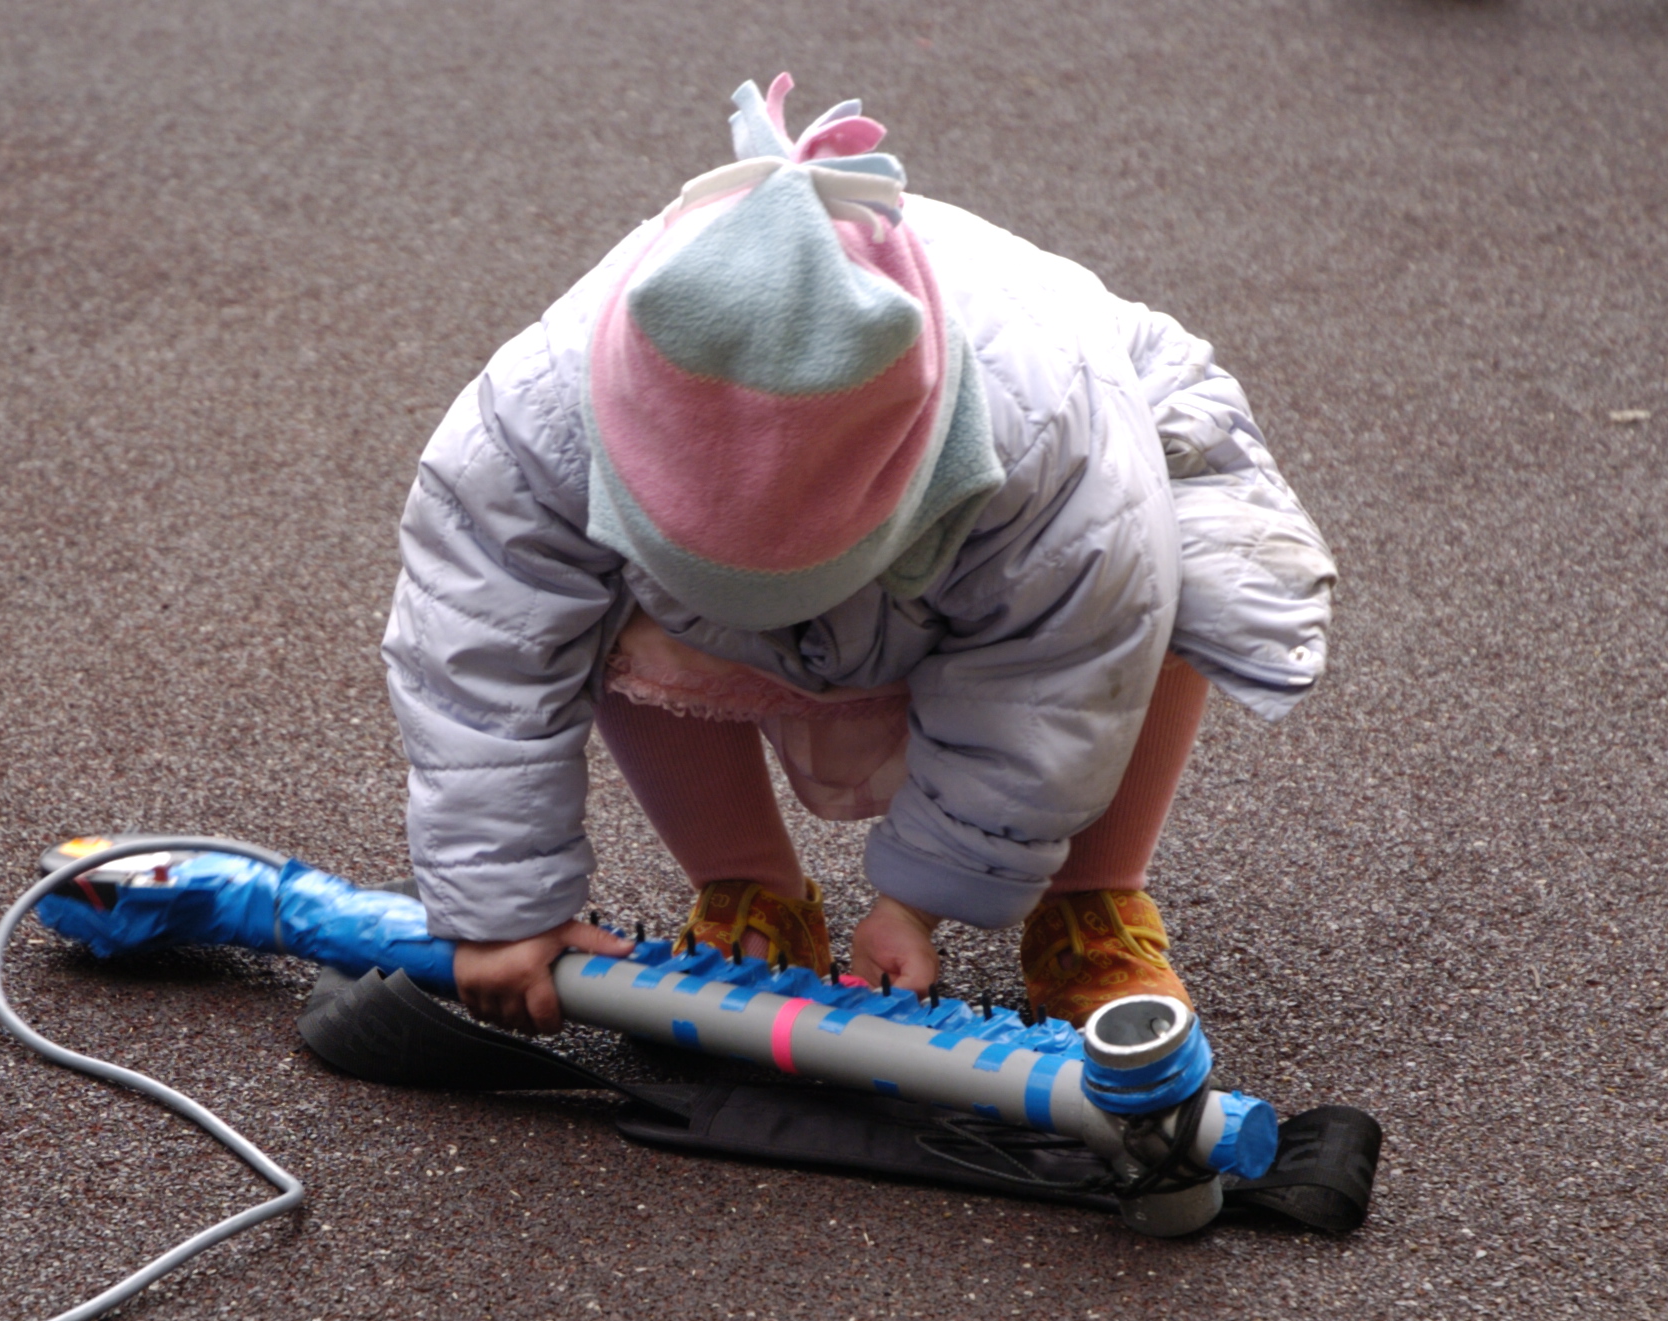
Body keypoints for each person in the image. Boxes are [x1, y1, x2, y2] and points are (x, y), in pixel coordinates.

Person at [382, 75, 1334, 1035]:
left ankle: (1092, 896)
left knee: (1160, 576)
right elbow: (478, 648)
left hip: (1098, 485)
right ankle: (746, 884)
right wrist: (503, 911)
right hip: (876, 540)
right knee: (581, 606)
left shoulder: (1053, 437)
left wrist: (918, 901)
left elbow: (1055, 677)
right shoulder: (542, 407)